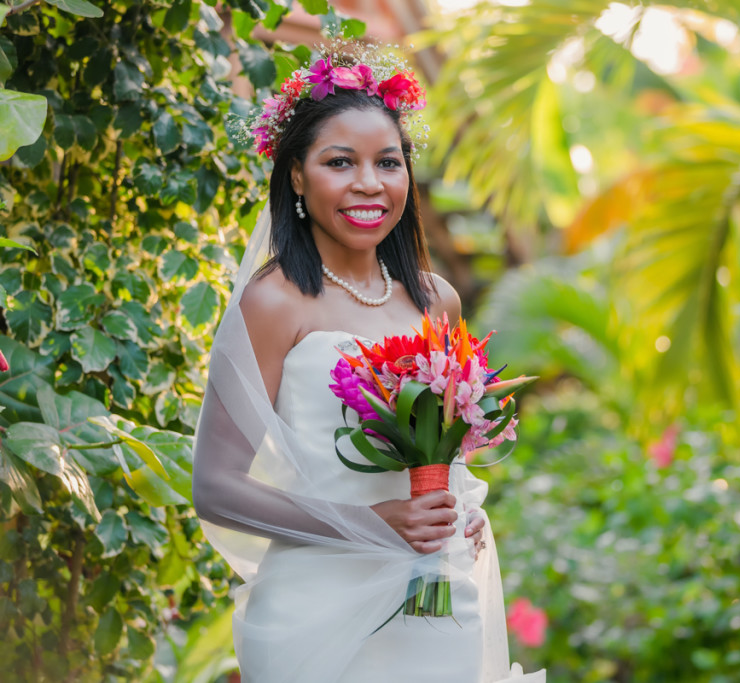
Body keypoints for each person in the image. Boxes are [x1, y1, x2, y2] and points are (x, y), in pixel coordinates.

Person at [191, 39, 545, 682]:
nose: (368, 184)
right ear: (296, 175)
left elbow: (443, 453)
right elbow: (215, 487)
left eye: (388, 162)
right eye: (339, 162)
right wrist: (368, 525)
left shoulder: (437, 301)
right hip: (319, 609)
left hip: (436, 606)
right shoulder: (274, 305)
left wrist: (457, 508)